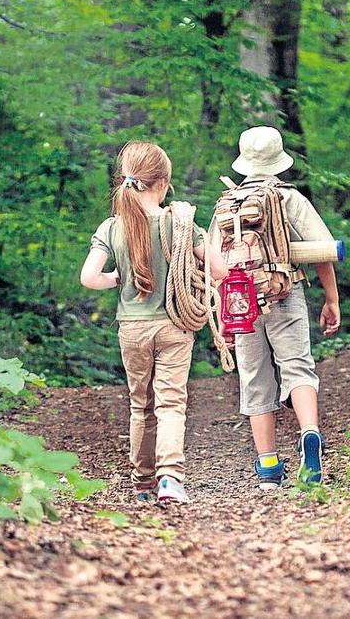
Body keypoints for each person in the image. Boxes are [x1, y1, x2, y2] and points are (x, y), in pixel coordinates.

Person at [80, 141, 227, 504]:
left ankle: (142, 482)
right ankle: (170, 479)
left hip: (131, 327)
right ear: (163, 182)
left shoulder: (112, 226)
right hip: (174, 324)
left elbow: (89, 277)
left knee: (139, 404)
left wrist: (119, 278)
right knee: (171, 403)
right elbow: (219, 271)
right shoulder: (180, 224)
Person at [219, 126, 341, 489]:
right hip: (284, 293)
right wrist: (331, 298)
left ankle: (269, 466)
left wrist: (224, 319)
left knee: (254, 378)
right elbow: (322, 250)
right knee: (298, 368)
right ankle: (309, 433)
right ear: (279, 160)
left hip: (242, 302)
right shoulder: (290, 199)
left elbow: (216, 265)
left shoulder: (229, 204)